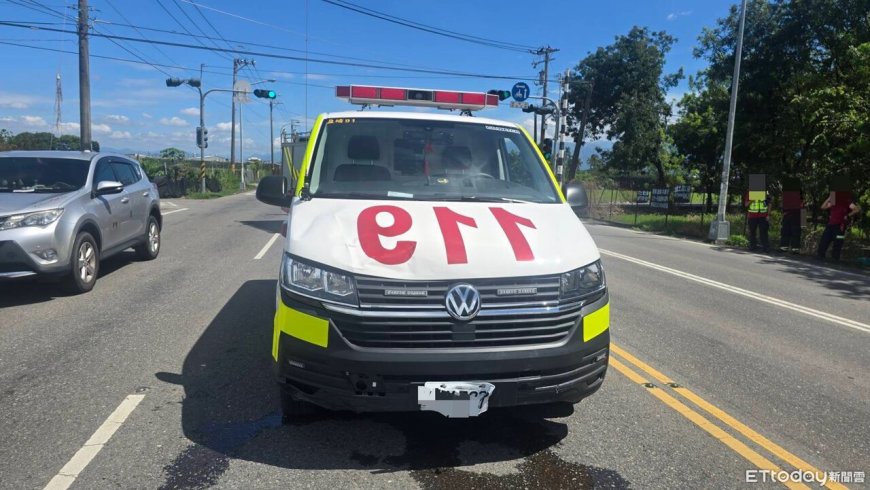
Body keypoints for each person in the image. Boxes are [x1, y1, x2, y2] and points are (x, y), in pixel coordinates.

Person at [817, 192, 862, 261]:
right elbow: (823, 207)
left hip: (840, 226)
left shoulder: (846, 201)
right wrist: (829, 198)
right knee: (824, 240)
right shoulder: (833, 201)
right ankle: (820, 257)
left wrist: (847, 215)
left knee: (838, 242)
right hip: (830, 225)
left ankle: (835, 259)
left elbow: (857, 209)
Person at [780, 185, 803, 253]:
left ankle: (795, 249)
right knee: (785, 232)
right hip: (787, 216)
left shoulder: (800, 197)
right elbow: (783, 206)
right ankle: (784, 248)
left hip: (796, 217)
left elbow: (803, 208)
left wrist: (803, 223)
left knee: (795, 233)